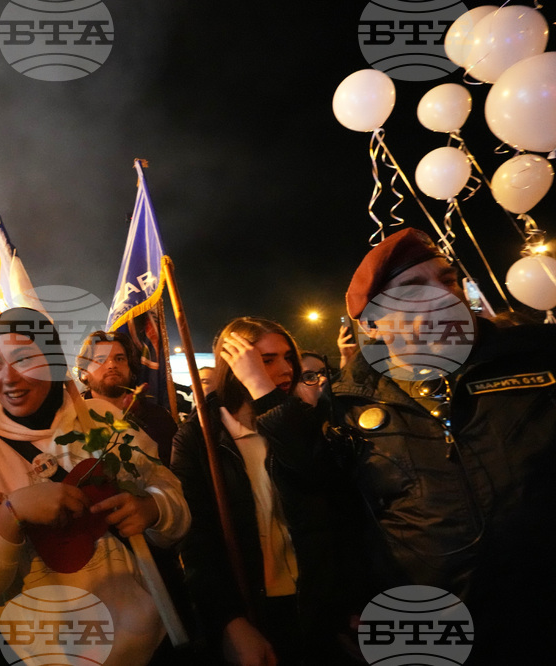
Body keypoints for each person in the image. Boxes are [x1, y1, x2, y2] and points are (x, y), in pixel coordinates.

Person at [332, 227, 556, 663]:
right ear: (372, 322)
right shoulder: (343, 408)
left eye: (448, 279)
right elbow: (337, 526)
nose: (443, 294)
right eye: (414, 288)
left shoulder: (539, 360)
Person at [0, 308, 190, 666]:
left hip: (146, 645)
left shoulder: (103, 419)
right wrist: (11, 513)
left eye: (24, 359)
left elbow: (174, 502)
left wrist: (152, 508)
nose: (9, 378)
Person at [171, 317, 362, 666]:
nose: (285, 368)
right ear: (234, 363)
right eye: (267, 359)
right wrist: (228, 621)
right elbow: (195, 537)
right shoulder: (198, 437)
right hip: (256, 609)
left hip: (320, 603)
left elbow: (328, 492)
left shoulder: (303, 420)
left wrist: (262, 388)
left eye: (288, 357)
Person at [76, 330, 179, 463]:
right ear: (84, 372)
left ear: (130, 369)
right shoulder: (71, 416)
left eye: (119, 359)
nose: (112, 365)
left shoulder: (158, 419)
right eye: (100, 360)